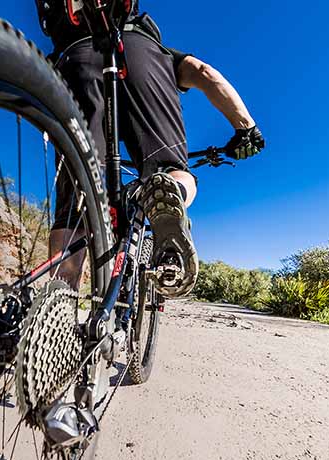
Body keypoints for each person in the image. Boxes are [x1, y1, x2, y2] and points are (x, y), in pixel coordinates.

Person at [36, 2, 265, 295]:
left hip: (72, 60)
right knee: (172, 170)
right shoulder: (158, 47)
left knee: (75, 208)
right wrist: (246, 129)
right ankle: (170, 189)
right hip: (139, 54)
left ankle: (57, 309)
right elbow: (205, 73)